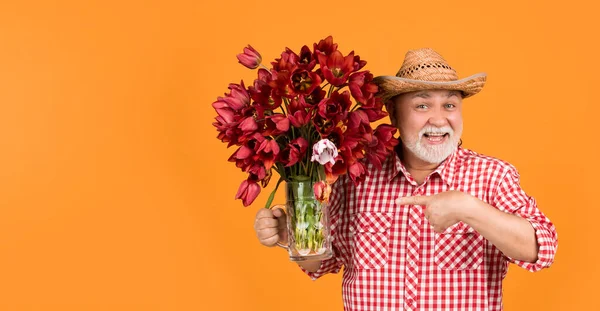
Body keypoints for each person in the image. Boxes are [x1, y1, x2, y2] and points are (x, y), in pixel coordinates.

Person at [253, 48, 558, 311]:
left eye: (449, 105)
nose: (439, 119)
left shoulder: (492, 176)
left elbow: (541, 248)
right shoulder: (357, 176)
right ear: (394, 115)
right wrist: (289, 233)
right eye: (422, 105)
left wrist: (468, 208)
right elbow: (322, 262)